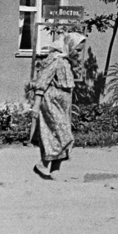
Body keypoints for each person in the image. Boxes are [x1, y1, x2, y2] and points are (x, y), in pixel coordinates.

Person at [28, 32, 77, 180]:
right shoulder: (55, 61)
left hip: (63, 106)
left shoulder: (66, 61)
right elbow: (42, 82)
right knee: (62, 135)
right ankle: (42, 164)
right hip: (51, 104)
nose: (78, 53)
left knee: (59, 135)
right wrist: (36, 105)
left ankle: (55, 169)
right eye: (77, 49)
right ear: (69, 47)